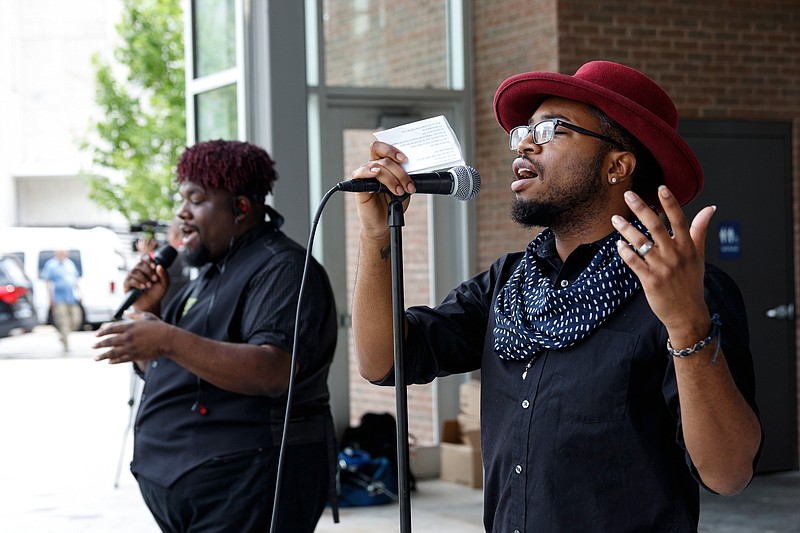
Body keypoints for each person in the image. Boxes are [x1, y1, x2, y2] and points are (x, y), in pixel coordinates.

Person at [348, 60, 763, 532]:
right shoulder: (509, 285)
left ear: (617, 166)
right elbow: (383, 361)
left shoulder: (687, 289)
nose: (524, 142)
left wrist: (688, 325)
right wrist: (375, 233)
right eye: (524, 130)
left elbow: (728, 473)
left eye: (549, 130)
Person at [93, 140, 338, 532]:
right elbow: (166, 368)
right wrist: (153, 313)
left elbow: (274, 370)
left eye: (196, 199)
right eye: (182, 198)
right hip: (192, 484)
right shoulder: (209, 273)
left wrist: (166, 338)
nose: (181, 212)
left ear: (240, 207)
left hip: (247, 482)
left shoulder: (283, 268)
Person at [41, 249, 82, 351]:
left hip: (71, 297)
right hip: (59, 298)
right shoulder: (51, 265)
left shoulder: (69, 264)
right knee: (63, 320)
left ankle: (63, 335)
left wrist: (80, 292)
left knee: (76, 320)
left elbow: (74, 279)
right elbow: (48, 282)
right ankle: (66, 344)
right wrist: (50, 298)